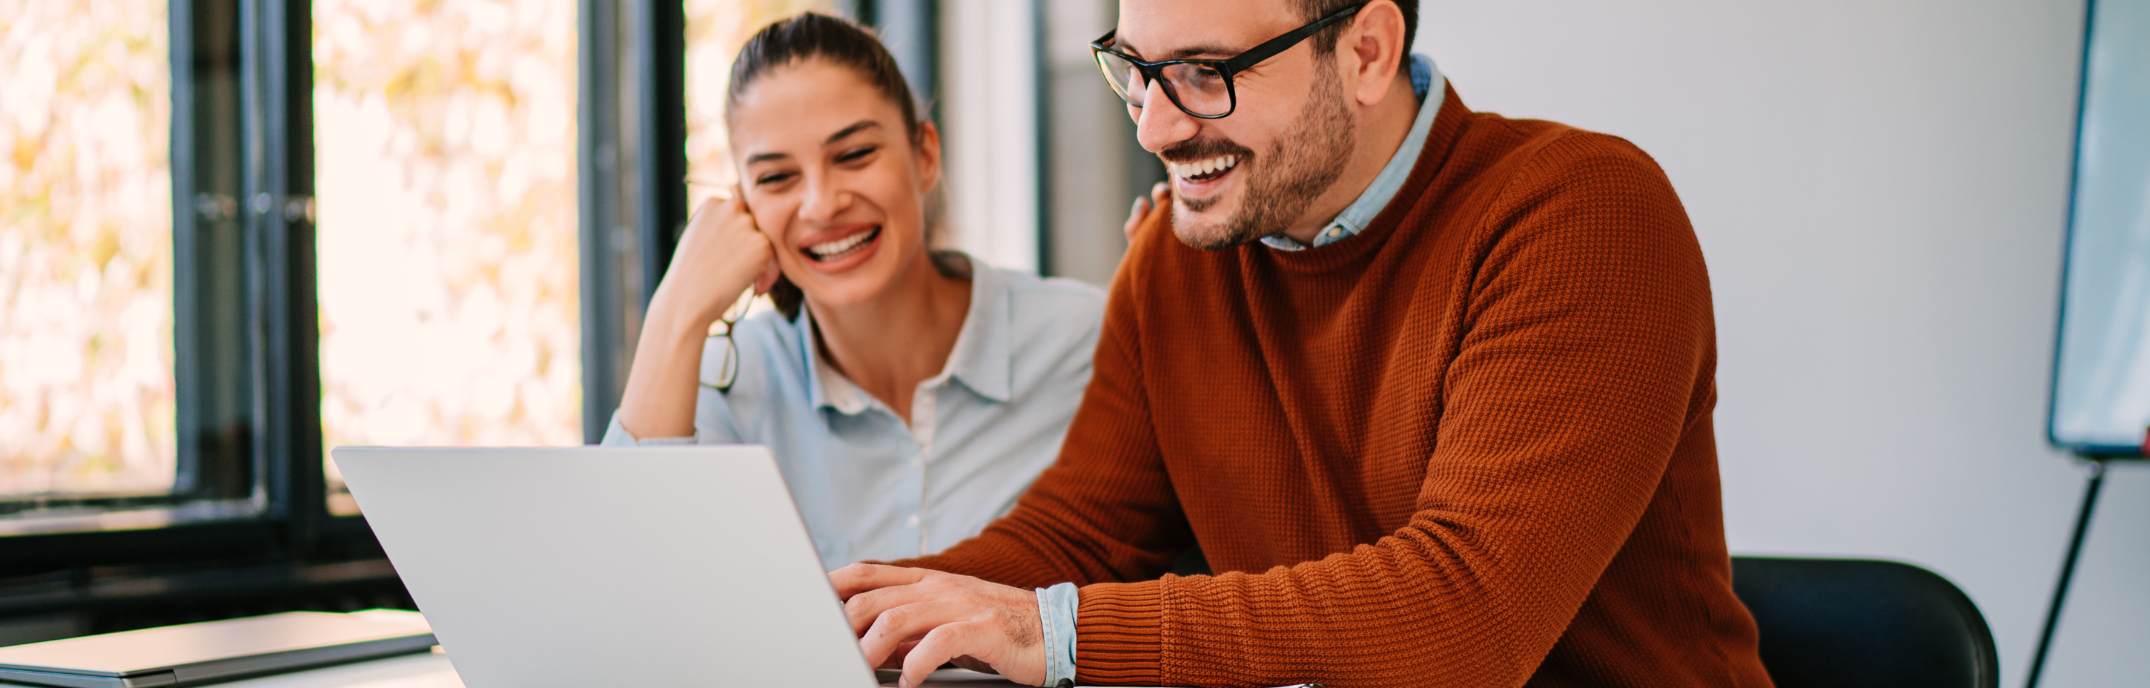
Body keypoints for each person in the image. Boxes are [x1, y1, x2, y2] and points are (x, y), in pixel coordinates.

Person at [831, 1, 1776, 687]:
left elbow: (1467, 615)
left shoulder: (1580, 212)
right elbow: (1082, 535)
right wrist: (848, 622)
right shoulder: (1177, 253)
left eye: (1207, 74)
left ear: (1366, 51)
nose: (1156, 126)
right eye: (1137, 70)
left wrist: (1051, 632)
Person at [603, 13, 1106, 569]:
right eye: (776, 178)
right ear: (743, 204)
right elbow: (623, 578)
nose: (821, 204)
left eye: (854, 155)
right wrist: (676, 310)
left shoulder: (1086, 341)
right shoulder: (729, 379)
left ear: (925, 156)